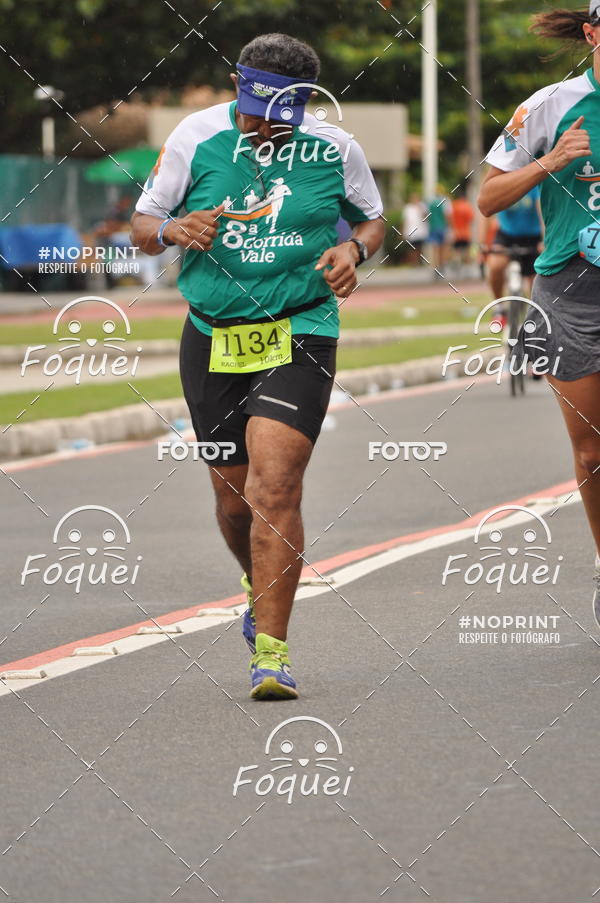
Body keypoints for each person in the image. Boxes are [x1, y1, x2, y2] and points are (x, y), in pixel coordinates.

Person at [131, 33, 385, 698]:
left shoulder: (336, 147)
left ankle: (271, 653)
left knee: (275, 487)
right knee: (233, 499)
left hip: (300, 326)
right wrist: (174, 229)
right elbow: (142, 225)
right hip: (212, 333)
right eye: (254, 111)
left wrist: (354, 250)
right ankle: (257, 580)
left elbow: (373, 221)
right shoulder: (194, 137)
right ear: (236, 85)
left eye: (279, 117)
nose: (263, 126)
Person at [479, 1, 600, 628]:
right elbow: (487, 198)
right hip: (571, 291)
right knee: (591, 453)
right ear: (592, 33)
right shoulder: (550, 105)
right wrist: (551, 161)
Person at [480, 186, 544, 323]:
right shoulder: (503, 183)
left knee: (536, 283)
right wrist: (484, 243)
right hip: (506, 235)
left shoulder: (534, 185)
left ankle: (535, 315)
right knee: (495, 265)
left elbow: (542, 212)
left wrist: (545, 240)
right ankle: (499, 307)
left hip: (533, 236)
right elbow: (487, 211)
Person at [449, 191, 474, 276]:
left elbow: (450, 218)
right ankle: (467, 269)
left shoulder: (454, 205)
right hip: (466, 233)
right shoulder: (467, 206)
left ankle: (457, 264)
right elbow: (471, 219)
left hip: (457, 233)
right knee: (466, 251)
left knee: (457, 251)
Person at [427, 184, 450, 274]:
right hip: (442, 227)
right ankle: (442, 266)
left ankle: (435, 267)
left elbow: (427, 216)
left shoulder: (430, 202)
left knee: (434, 249)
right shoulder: (444, 201)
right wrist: (449, 226)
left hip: (433, 227)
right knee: (442, 248)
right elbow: (447, 215)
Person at [402, 193, 429, 265]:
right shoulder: (407, 208)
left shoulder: (422, 206)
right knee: (411, 248)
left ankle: (419, 261)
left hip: (420, 231)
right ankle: (414, 262)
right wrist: (403, 231)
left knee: (420, 247)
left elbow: (426, 218)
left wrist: (420, 208)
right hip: (410, 231)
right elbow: (405, 220)